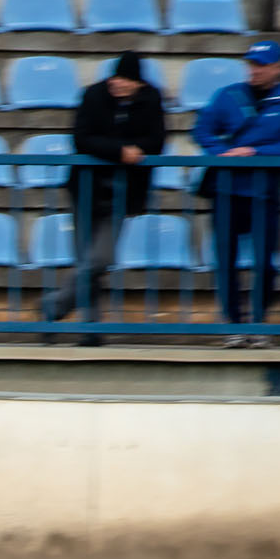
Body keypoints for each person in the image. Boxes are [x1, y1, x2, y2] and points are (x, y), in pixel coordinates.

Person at [193, 39, 280, 345]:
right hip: (226, 189)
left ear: (278, 68)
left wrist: (255, 152)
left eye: (261, 65)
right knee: (225, 260)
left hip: (264, 191)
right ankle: (232, 325)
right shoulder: (229, 95)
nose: (254, 71)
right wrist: (223, 152)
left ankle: (259, 324)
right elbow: (202, 129)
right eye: (251, 64)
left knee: (265, 261)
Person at [41, 51, 167, 343]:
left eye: (126, 79)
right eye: (116, 77)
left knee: (99, 260)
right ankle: (91, 328)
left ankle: (54, 305)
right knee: (87, 261)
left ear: (138, 83)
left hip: (123, 192)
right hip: (86, 188)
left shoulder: (151, 100)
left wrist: (132, 149)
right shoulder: (93, 95)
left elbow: (157, 140)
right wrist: (122, 152)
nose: (119, 84)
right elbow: (81, 138)